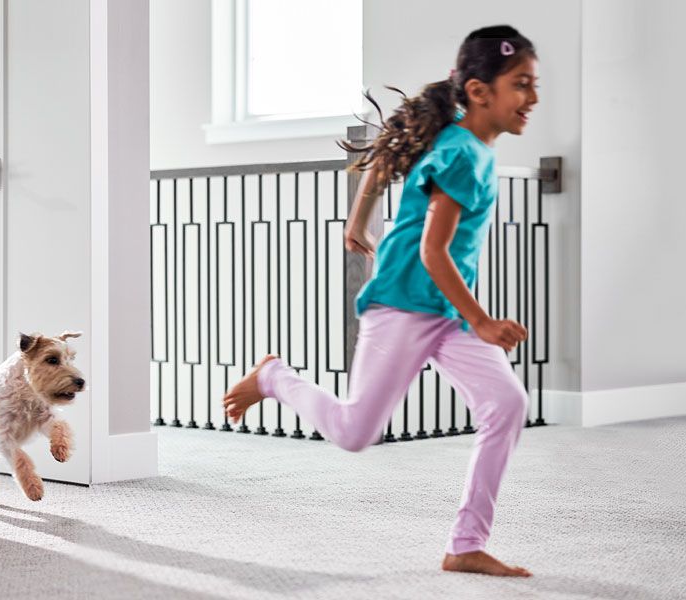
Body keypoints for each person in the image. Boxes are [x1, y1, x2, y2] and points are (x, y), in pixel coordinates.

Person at [224, 25, 538, 577]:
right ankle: (274, 377)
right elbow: (433, 250)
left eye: (533, 84)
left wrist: (359, 216)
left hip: (443, 311)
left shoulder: (465, 144)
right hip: (402, 305)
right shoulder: (463, 152)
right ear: (479, 92)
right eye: (521, 84)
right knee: (353, 433)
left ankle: (466, 543)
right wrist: (483, 321)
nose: (532, 97)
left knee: (507, 404)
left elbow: (390, 148)